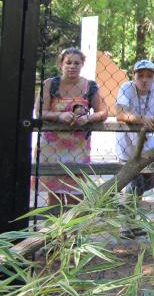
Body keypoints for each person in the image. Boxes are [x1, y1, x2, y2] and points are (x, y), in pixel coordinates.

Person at [37, 47, 108, 206]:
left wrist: (87, 118)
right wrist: (60, 116)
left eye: (77, 63)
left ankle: (74, 231)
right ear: (61, 64)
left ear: (82, 64)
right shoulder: (50, 84)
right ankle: (58, 230)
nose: (72, 66)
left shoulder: (90, 86)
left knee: (76, 197)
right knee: (54, 198)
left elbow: (103, 112)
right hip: (52, 148)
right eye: (68, 62)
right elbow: (40, 112)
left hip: (78, 148)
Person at [115, 59, 154, 197]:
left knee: (142, 188)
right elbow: (119, 113)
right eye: (140, 75)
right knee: (131, 186)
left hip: (147, 147)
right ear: (133, 76)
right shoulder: (126, 88)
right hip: (127, 146)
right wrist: (144, 119)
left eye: (149, 76)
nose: (145, 80)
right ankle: (127, 215)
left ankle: (132, 214)